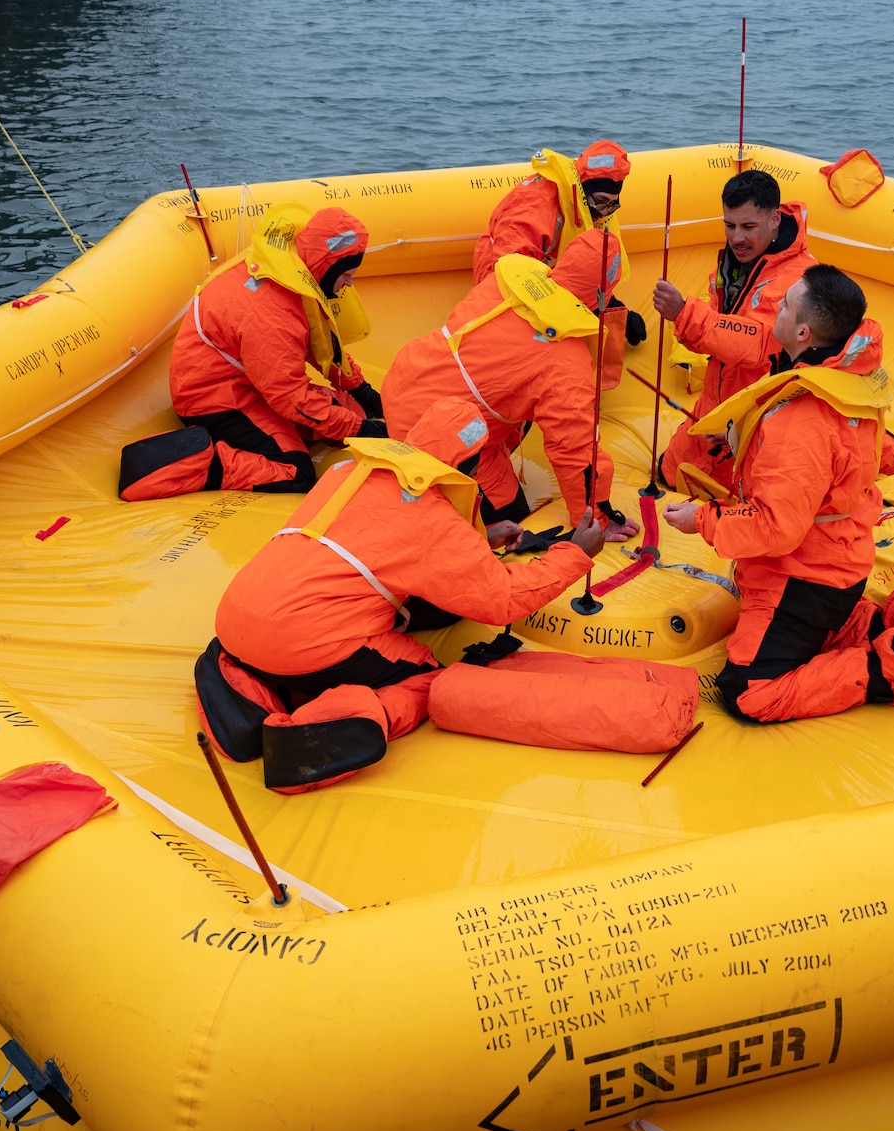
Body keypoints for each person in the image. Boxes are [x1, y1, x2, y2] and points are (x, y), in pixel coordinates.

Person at [195, 398, 605, 791]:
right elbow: (502, 600)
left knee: (303, 638)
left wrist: (481, 538)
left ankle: (240, 679)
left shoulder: (346, 472)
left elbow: (385, 542)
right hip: (305, 639)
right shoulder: (431, 518)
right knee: (428, 677)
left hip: (237, 617)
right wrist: (575, 554)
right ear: (471, 463)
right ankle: (317, 732)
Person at [663, 264, 894, 723]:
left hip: (801, 578)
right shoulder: (847, 377)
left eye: (784, 305)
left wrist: (701, 520)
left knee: (749, 693)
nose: (776, 311)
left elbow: (776, 529)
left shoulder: (802, 421)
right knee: (818, 624)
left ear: (803, 332)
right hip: (841, 561)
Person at [651, 169, 894, 497]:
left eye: (748, 226)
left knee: (769, 491)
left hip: (767, 406)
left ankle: (874, 442)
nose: (737, 238)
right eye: (729, 225)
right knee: (671, 472)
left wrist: (685, 315)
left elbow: (762, 344)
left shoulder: (796, 280)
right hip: (722, 399)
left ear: (775, 219)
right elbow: (726, 320)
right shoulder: (736, 260)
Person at [382, 232, 640, 540]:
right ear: (604, 292)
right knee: (510, 521)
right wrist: (596, 518)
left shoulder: (509, 279)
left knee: (506, 495)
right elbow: (575, 450)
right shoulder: (565, 360)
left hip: (407, 377)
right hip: (439, 428)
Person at [122, 205, 384, 500]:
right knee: (295, 471)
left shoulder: (288, 271)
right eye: (347, 274)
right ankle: (198, 460)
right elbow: (290, 398)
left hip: (248, 378)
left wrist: (362, 391)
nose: (349, 283)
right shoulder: (272, 313)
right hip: (214, 399)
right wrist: (360, 429)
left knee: (353, 412)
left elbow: (321, 345)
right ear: (327, 268)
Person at [471, 139, 650, 363]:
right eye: (602, 202)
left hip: (545, 279)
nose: (604, 213)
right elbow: (506, 276)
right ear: (584, 190)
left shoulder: (587, 206)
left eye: (612, 205)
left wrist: (617, 313)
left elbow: (582, 269)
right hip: (505, 287)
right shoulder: (534, 206)